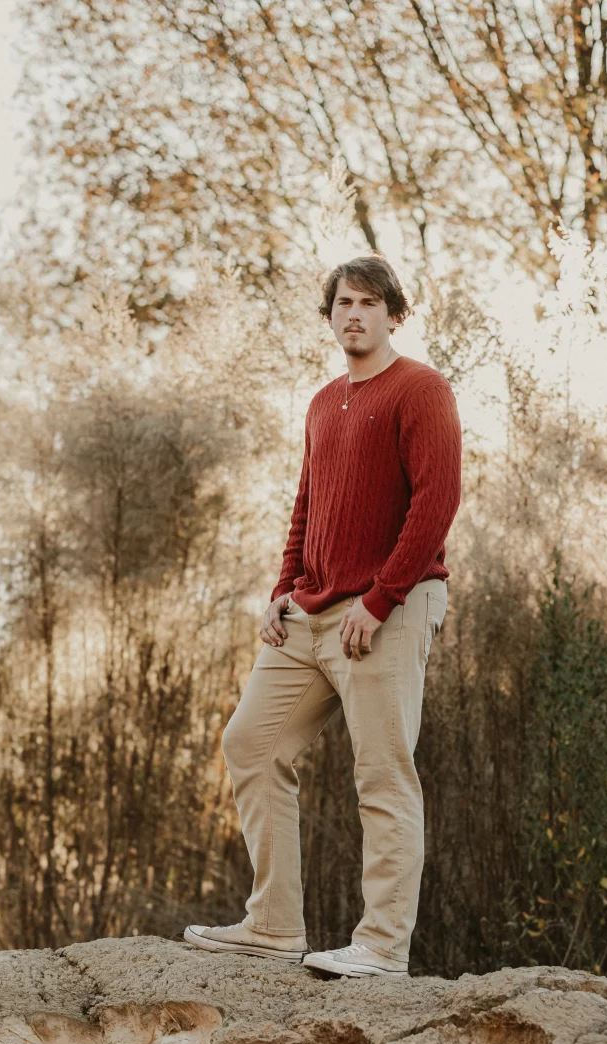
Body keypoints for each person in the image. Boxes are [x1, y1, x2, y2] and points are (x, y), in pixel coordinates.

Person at [185, 255, 461, 976]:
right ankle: (273, 926)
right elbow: (308, 504)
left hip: (388, 608)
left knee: (383, 773)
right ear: (330, 313)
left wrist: (381, 599)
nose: (354, 314)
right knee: (251, 742)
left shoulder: (421, 390)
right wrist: (283, 589)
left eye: (370, 303)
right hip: (311, 611)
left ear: (395, 315)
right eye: (343, 302)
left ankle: (380, 948)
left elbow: (436, 504)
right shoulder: (321, 401)